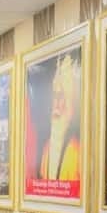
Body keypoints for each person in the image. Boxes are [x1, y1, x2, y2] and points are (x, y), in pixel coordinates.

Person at [38, 52, 82, 181]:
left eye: (62, 95)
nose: (57, 104)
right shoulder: (47, 148)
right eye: (54, 95)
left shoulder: (78, 152)